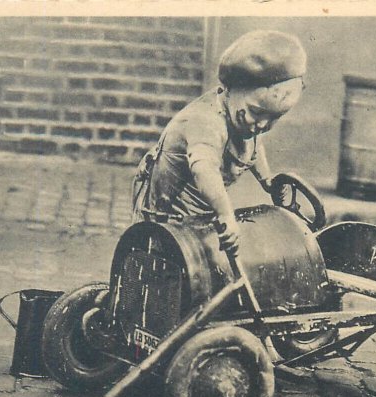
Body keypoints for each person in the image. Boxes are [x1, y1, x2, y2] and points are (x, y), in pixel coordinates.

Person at [131, 30, 307, 256]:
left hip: (202, 209)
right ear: (229, 89)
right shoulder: (204, 122)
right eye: (256, 112)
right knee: (162, 258)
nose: (262, 125)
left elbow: (254, 145)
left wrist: (267, 180)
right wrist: (225, 214)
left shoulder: (245, 120)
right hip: (169, 210)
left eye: (274, 118)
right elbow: (204, 170)